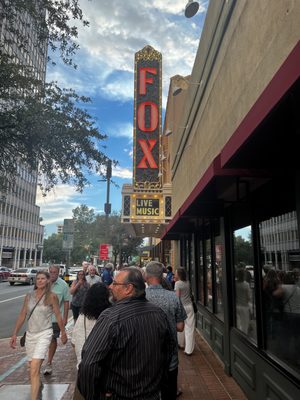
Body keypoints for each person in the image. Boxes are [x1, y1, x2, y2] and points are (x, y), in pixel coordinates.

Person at [77, 267, 174, 400]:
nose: (110, 286)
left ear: (128, 288)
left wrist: (94, 395)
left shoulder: (110, 317)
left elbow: (89, 363)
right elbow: (169, 351)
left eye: (115, 283)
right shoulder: (158, 313)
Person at [10, 271, 67, 400]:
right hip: (30, 335)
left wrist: (63, 331)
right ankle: (38, 383)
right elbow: (22, 315)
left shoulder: (52, 296)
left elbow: (58, 315)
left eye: (42, 278)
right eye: (38, 279)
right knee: (32, 368)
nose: (40, 281)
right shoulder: (28, 296)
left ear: (47, 281)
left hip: (45, 333)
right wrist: (14, 334)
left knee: (35, 367)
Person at [145, 261, 186, 400]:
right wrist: (168, 322)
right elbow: (180, 327)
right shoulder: (173, 297)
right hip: (170, 359)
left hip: (146, 358)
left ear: (146, 276)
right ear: (161, 275)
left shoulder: (139, 297)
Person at [72, 282, 110, 367]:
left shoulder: (83, 316)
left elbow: (74, 341)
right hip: (104, 365)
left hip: (84, 363)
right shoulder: (110, 315)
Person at [43, 264, 70, 375]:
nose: (52, 274)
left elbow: (66, 302)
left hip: (55, 318)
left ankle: (49, 362)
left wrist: (65, 318)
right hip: (42, 317)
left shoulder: (63, 285)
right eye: (51, 272)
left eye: (54, 272)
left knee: (52, 339)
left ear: (58, 273)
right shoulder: (43, 283)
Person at [174, 267, 196, 355]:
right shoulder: (188, 282)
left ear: (179, 274)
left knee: (180, 325)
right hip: (189, 306)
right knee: (190, 328)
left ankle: (181, 344)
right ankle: (189, 350)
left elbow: (177, 297)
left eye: (176, 273)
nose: (175, 274)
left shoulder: (177, 283)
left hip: (181, 307)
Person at [235, 268, 251, 334]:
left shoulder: (235, 284)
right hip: (244, 306)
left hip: (237, 305)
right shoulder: (246, 284)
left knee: (238, 323)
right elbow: (248, 297)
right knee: (245, 324)